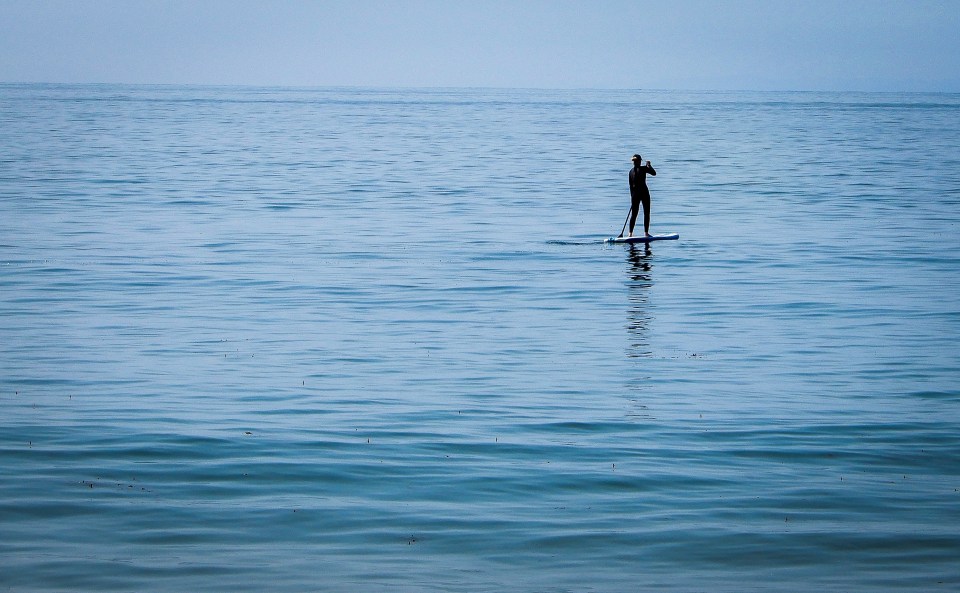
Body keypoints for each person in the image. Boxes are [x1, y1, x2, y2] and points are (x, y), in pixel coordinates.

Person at [628, 154, 656, 237]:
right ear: (640, 161)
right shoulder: (643, 169)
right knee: (646, 213)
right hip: (644, 193)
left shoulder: (630, 171)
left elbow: (630, 186)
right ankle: (646, 233)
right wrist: (649, 165)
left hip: (635, 195)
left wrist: (632, 197)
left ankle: (630, 234)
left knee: (634, 214)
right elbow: (654, 173)